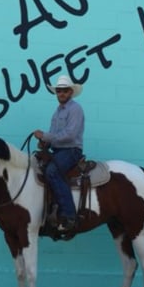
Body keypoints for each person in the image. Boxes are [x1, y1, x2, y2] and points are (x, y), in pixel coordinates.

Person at [33, 75, 85, 234]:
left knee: (52, 171)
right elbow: (54, 135)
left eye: (64, 90)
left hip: (71, 150)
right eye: (58, 91)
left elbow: (70, 134)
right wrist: (44, 143)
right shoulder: (57, 113)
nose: (61, 93)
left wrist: (45, 136)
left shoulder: (75, 109)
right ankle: (50, 210)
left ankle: (69, 215)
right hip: (58, 150)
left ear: (70, 92)